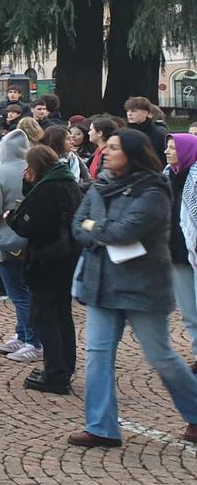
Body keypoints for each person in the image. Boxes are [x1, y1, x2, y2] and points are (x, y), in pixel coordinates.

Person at [68, 129, 197, 448]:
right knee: (97, 355)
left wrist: (96, 230)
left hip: (142, 287)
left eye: (114, 148)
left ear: (133, 153)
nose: (107, 152)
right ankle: (101, 427)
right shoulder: (101, 184)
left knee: (161, 356)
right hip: (100, 284)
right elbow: (77, 224)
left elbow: (125, 231)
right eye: (107, 146)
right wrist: (100, 230)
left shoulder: (153, 190)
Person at [9, 145, 83, 394]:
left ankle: (55, 373)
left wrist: (13, 217)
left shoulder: (47, 188)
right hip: (67, 257)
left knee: (44, 316)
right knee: (62, 315)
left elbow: (29, 225)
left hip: (47, 259)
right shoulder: (67, 182)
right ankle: (64, 367)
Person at [0, 129, 39, 361]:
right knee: (26, 290)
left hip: (6, 239)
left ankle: (33, 340)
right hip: (31, 238)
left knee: (19, 293)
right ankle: (23, 334)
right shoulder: (32, 168)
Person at [165, 134, 197, 364]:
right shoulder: (165, 176)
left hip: (194, 250)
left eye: (172, 148)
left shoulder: (194, 178)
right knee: (188, 311)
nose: (167, 152)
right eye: (167, 147)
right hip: (177, 254)